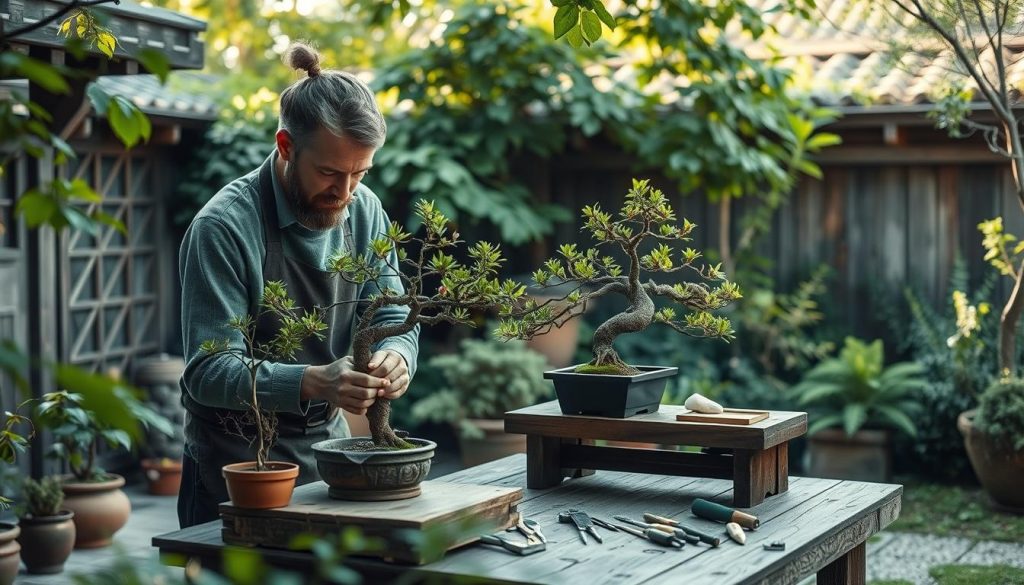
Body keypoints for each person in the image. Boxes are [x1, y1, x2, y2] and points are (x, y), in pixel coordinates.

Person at [176, 43, 419, 528]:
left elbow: (394, 314)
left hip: (325, 446)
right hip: (238, 458)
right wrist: (312, 380)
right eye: (329, 172)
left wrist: (398, 354)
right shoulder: (224, 227)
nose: (345, 192)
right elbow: (206, 371)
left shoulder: (364, 209)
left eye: (359, 173)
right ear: (286, 147)